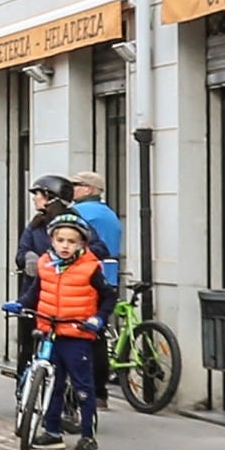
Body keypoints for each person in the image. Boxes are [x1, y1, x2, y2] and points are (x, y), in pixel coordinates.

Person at [10, 212, 115, 450]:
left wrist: (98, 319)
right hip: (50, 330)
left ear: (81, 244)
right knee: (53, 383)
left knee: (82, 387)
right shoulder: (45, 264)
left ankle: (88, 436)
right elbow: (36, 292)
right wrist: (20, 303)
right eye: (60, 240)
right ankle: (52, 431)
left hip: (77, 333)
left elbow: (108, 296)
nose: (65, 246)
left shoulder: (90, 268)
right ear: (52, 241)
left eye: (71, 241)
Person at [70, 170, 124, 407]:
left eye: (77, 185)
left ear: (90, 189)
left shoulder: (79, 212)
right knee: (98, 334)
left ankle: (83, 389)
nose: (72, 189)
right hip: (109, 276)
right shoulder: (110, 214)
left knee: (78, 334)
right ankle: (101, 392)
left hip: (86, 277)